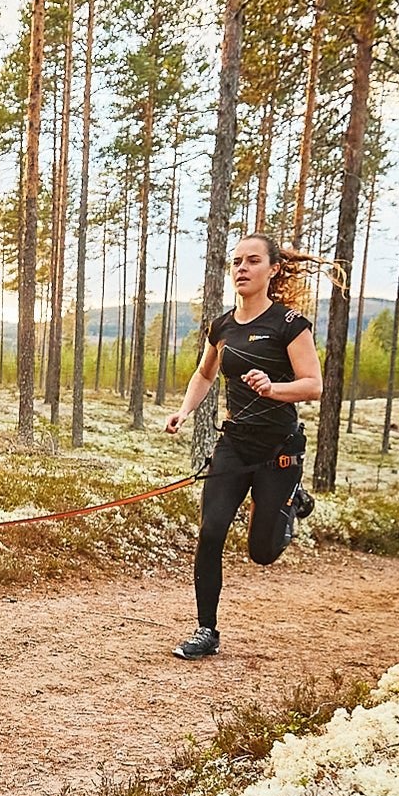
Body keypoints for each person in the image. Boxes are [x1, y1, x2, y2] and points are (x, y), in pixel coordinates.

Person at [163, 233, 323, 659]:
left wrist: (273, 388)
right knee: (211, 531)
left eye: (252, 260)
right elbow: (204, 374)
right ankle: (206, 630)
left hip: (279, 451)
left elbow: (313, 385)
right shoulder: (223, 326)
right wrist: (185, 411)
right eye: (236, 261)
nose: (242, 268)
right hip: (234, 446)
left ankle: (292, 499)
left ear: (273, 269)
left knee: (262, 553)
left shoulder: (290, 324)